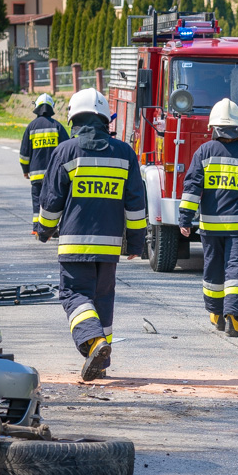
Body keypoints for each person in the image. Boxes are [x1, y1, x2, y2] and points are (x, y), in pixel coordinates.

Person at [37, 89, 147, 381]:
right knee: (102, 300)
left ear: (74, 118)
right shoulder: (124, 153)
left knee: (74, 294)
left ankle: (96, 344)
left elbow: (51, 200)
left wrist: (45, 230)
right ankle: (100, 360)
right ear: (103, 118)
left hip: (74, 245)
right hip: (109, 248)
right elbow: (136, 204)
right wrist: (136, 243)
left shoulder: (66, 151)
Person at [178, 98, 238, 337]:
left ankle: (216, 314)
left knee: (214, 269)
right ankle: (234, 318)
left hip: (211, 226)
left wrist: (185, 219)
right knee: (237, 270)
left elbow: (192, 188)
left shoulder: (204, 152)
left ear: (213, 128)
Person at [19, 94, 69, 234]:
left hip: (36, 175)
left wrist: (25, 170)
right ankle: (52, 229)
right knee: (54, 201)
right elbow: (66, 149)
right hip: (54, 176)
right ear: (51, 108)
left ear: (37, 107)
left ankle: (36, 228)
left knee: (37, 201)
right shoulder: (57, 126)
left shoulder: (31, 127)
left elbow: (24, 153)